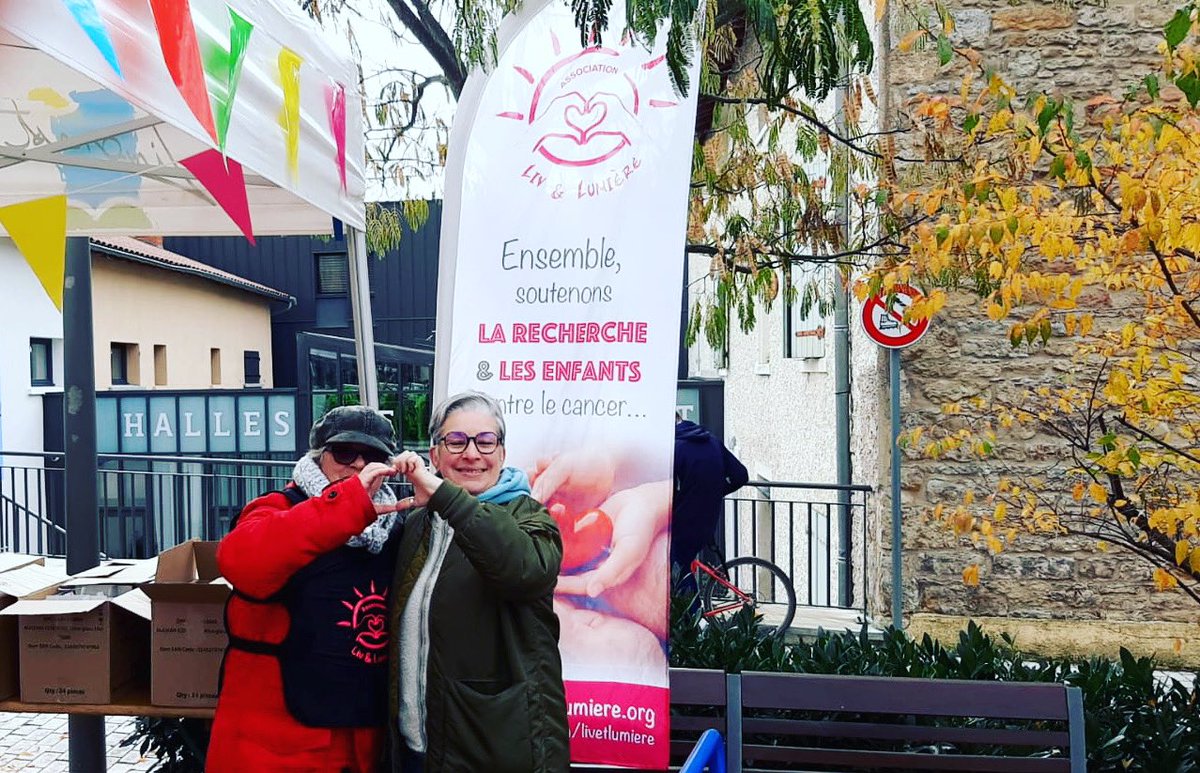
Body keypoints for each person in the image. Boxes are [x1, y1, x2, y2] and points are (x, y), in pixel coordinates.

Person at [207, 405, 413, 773]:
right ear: (319, 458)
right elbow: (241, 562)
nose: (357, 465)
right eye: (344, 452)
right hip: (277, 743)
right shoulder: (277, 508)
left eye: (373, 457)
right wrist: (342, 506)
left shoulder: (395, 524)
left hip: (360, 739)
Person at [386, 390, 569, 773]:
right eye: (456, 441)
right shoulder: (418, 523)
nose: (472, 453)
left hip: (498, 748)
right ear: (434, 455)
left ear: (502, 453)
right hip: (420, 745)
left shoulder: (530, 518)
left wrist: (446, 498)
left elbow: (523, 570)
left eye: (486, 441)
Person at [671, 413, 748, 571]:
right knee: (681, 561)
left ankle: (691, 597)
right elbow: (741, 476)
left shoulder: (674, 448)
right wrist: (715, 493)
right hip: (709, 517)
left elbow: (667, 491)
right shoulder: (712, 440)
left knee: (676, 563)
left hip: (686, 518)